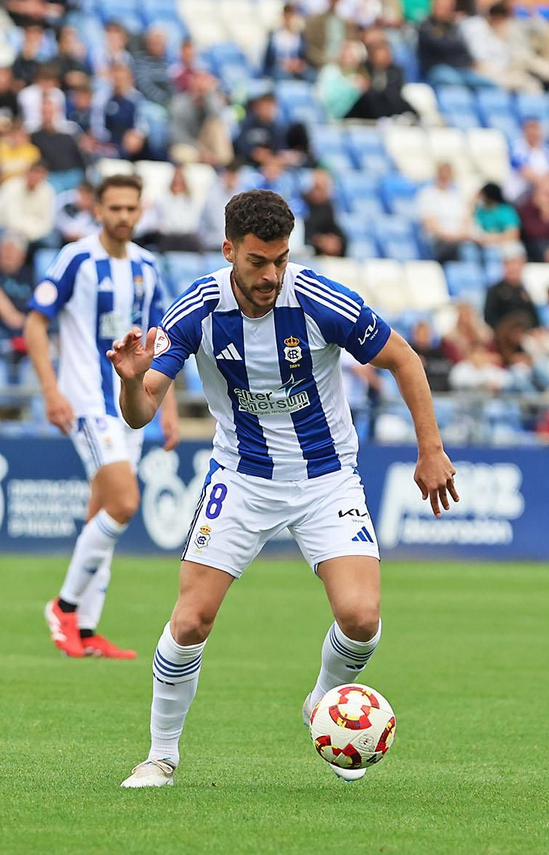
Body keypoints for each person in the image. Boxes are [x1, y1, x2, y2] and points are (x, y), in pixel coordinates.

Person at [109, 189, 457, 788]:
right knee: (190, 621)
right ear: (228, 251)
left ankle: (322, 702)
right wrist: (130, 381)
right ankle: (161, 756)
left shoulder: (319, 300)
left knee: (361, 618)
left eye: (280, 260)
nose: (271, 275)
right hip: (241, 477)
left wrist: (431, 449)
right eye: (257, 261)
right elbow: (140, 414)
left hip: (326, 478)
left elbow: (404, 359)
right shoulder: (196, 310)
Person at [29, 174, 181, 661]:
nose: (123, 216)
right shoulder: (76, 258)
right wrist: (51, 390)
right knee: (124, 502)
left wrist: (167, 408)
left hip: (131, 408)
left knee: (104, 515)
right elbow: (35, 322)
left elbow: (162, 343)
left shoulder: (148, 266)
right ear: (98, 210)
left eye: (130, 208)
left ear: (141, 210)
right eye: (114, 208)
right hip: (88, 402)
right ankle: (64, 606)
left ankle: (87, 630)